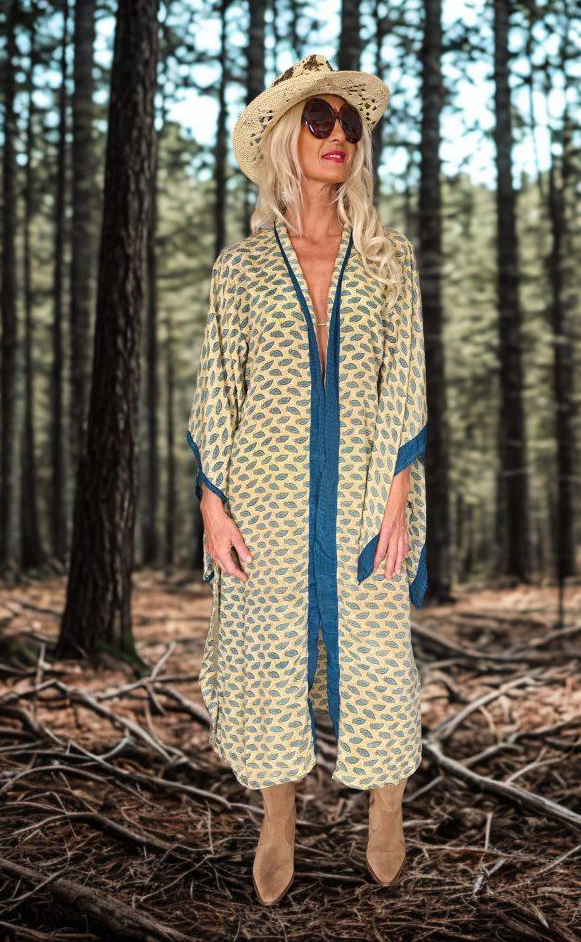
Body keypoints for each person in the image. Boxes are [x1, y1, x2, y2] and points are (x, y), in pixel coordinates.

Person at [186, 53, 428, 905]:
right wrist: (213, 505)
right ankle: (277, 818)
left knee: (377, 652)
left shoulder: (389, 259)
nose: (338, 136)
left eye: (349, 125)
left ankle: (387, 806)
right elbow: (220, 385)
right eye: (319, 121)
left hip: (367, 489)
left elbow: (406, 377)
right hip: (266, 495)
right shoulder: (242, 267)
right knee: (268, 657)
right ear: (288, 138)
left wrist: (397, 493)